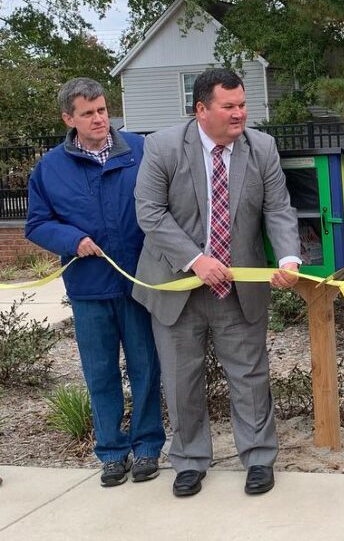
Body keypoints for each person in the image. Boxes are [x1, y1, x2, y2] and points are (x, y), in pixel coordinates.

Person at [133, 68, 301, 498]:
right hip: (176, 286)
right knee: (181, 379)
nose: (239, 114)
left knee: (249, 377)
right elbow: (150, 213)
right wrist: (196, 260)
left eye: (243, 104)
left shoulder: (261, 147)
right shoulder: (164, 146)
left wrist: (288, 257)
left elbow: (279, 208)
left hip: (239, 289)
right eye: (229, 106)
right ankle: (189, 461)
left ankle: (259, 458)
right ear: (201, 109)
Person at [26, 77, 165, 487]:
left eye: (102, 109)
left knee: (145, 368)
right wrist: (72, 240)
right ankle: (111, 452)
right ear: (69, 118)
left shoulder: (140, 151)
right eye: (88, 113)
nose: (99, 118)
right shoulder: (49, 168)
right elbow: (37, 223)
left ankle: (146, 449)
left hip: (139, 283)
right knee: (100, 372)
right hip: (88, 289)